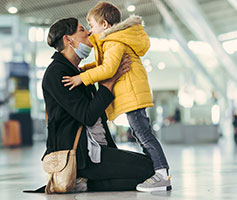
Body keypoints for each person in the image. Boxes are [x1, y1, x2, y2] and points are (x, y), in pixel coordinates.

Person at [32, 17, 154, 193]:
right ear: (68, 40)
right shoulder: (57, 74)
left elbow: (97, 114)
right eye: (82, 30)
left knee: (149, 166)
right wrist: (109, 83)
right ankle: (83, 183)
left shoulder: (78, 72)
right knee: (148, 169)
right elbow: (87, 116)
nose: (89, 32)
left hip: (95, 149)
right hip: (79, 155)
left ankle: (86, 182)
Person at [60, 2, 171, 192]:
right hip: (132, 95)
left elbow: (108, 69)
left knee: (144, 134)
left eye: (92, 25)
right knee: (140, 133)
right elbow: (102, 64)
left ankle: (161, 174)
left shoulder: (115, 42)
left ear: (104, 25)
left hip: (133, 96)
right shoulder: (111, 43)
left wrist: (81, 78)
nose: (89, 31)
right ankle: (158, 172)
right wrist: (85, 69)